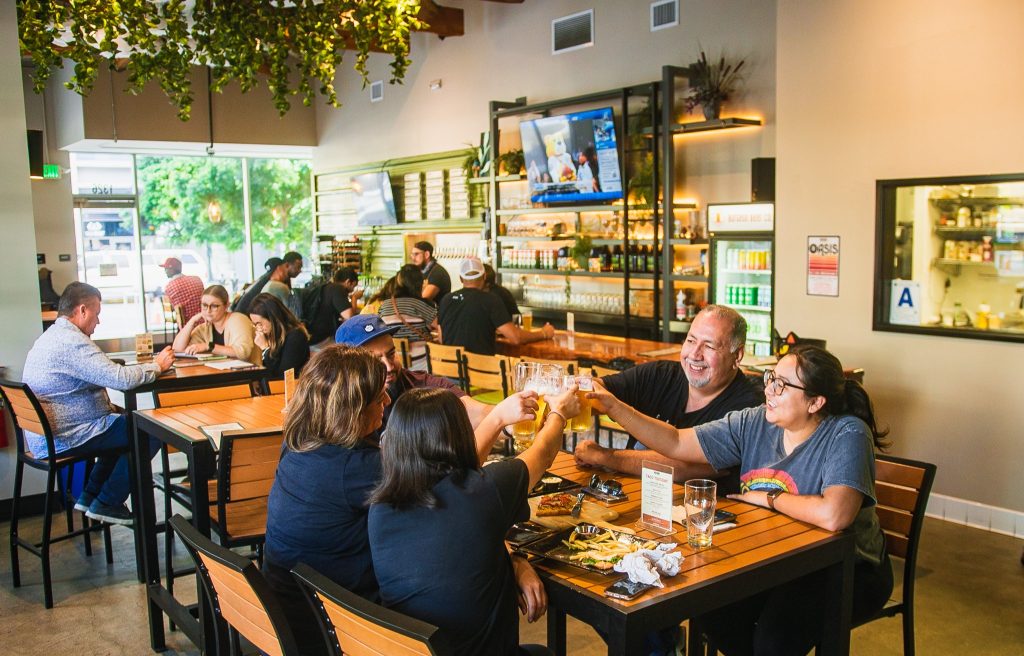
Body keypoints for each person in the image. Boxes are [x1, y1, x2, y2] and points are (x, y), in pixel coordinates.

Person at [588, 345, 894, 655]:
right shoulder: (755, 421)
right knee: (711, 607)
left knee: (775, 639)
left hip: (847, 569)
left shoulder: (846, 433)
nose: (768, 391)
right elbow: (677, 441)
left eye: (782, 385)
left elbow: (834, 515)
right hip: (773, 560)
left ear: (815, 402)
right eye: (770, 378)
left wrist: (770, 498)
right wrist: (614, 407)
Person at [263, 346, 537, 656]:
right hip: (337, 635)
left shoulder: (298, 444)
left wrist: (510, 555)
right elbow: (457, 489)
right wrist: (497, 418)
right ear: (351, 410)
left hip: (290, 614)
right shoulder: (357, 470)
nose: (388, 401)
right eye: (378, 397)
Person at [368, 384, 580, 656]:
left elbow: (460, 530)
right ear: (458, 435)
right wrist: (559, 414)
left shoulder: (381, 509)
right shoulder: (485, 491)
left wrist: (514, 560)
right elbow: (544, 451)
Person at [22, 282, 173, 526]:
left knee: (122, 428)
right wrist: (158, 366)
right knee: (150, 430)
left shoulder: (52, 336)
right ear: (82, 310)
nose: (98, 322)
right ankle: (109, 501)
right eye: (97, 314)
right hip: (65, 436)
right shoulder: (71, 341)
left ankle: (91, 496)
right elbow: (120, 379)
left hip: (49, 436)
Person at [574, 305, 762, 487]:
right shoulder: (660, 374)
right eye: (691, 341)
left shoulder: (748, 409)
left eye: (709, 346)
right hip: (631, 495)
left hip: (700, 513)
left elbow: (683, 467)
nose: (695, 354)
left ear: (737, 356)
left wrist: (605, 456)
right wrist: (566, 396)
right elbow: (598, 389)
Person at [335, 314, 494, 429]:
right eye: (375, 361)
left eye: (391, 354)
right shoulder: (339, 412)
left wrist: (505, 419)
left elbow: (473, 411)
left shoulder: (420, 383)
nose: (389, 367)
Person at [439, 257, 554, 356]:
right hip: (482, 376)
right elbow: (515, 338)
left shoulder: (446, 299)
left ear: (460, 278)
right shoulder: (491, 300)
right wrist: (544, 333)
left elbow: (441, 338)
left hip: (449, 375)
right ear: (484, 276)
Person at [171, 284, 260, 365]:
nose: (208, 310)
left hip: (249, 377)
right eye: (204, 305)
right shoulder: (205, 327)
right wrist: (192, 321)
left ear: (226, 306)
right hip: (223, 375)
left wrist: (208, 346)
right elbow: (178, 349)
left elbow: (243, 353)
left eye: (214, 306)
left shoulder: (238, 320)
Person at [377, 264, 438, 370]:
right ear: (420, 283)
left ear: (399, 281)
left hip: (393, 361)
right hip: (420, 363)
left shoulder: (384, 305)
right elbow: (440, 326)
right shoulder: (421, 304)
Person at [248, 293, 311, 378]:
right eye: (255, 324)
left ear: (272, 318)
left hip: (293, 388)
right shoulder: (271, 336)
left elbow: (282, 376)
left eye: (259, 323)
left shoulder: (295, 336)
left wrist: (265, 348)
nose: (258, 328)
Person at [306, 266, 360, 346]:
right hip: (322, 339)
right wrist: (354, 298)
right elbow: (349, 317)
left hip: (312, 335)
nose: (352, 290)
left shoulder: (328, 287)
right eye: (354, 286)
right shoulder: (337, 289)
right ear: (348, 282)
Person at [159, 256, 204, 322]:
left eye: (166, 268)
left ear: (172, 270)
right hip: (205, 320)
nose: (165, 271)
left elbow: (173, 308)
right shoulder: (196, 279)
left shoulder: (169, 287)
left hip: (187, 324)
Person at [260, 251, 303, 316]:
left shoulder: (269, 285)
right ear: (287, 265)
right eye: (298, 267)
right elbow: (293, 314)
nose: (300, 271)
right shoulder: (280, 287)